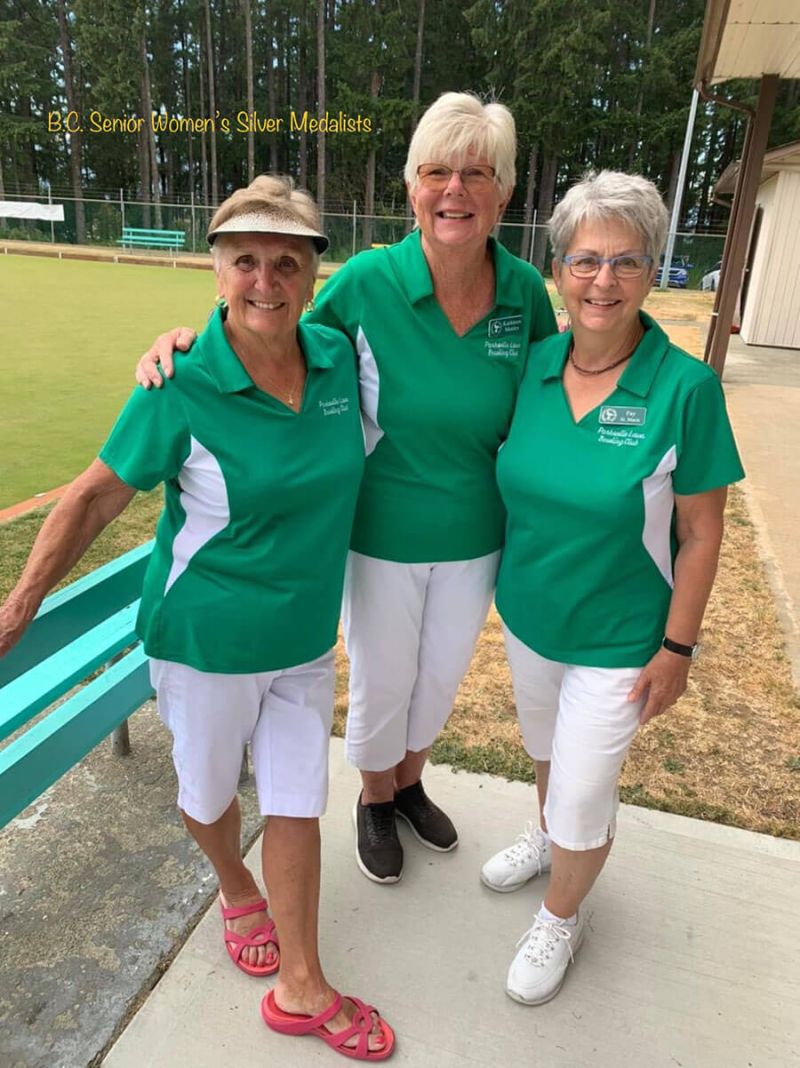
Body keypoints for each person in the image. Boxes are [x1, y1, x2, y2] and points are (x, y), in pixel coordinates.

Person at [0, 176, 394, 1061]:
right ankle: (232, 883)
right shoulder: (178, 381)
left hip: (302, 642)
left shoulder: (339, 362)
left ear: (310, 277)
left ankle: (304, 985)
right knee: (210, 798)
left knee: (297, 805)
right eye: (245, 261)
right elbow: (97, 496)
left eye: (286, 262)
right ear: (216, 274)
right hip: (204, 640)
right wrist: (19, 603)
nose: (266, 280)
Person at [134, 92, 557, 885]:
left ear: (503, 191)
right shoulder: (366, 281)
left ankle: (407, 782)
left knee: (437, 682)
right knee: (384, 679)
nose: (455, 191)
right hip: (377, 530)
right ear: (413, 189)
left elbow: (553, 387)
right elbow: (267, 313)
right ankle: (372, 798)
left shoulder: (525, 294)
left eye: (475, 174)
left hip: (477, 531)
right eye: (437, 172)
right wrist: (183, 336)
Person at [480, 170, 744, 1006]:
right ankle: (551, 831)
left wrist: (679, 648)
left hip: (623, 637)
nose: (603, 281)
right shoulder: (531, 365)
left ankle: (564, 912)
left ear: (654, 271)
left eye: (626, 262)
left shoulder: (686, 390)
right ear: (558, 269)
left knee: (588, 788)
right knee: (548, 756)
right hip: (528, 614)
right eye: (586, 260)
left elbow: (702, 532)